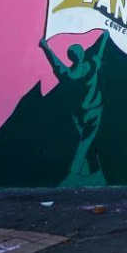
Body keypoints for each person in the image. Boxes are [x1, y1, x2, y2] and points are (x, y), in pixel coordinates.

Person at [40, 36, 109, 185]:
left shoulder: (69, 74)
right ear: (82, 54)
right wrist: (105, 37)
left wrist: (46, 47)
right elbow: (100, 51)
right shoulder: (92, 64)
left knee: (87, 140)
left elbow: (55, 62)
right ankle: (74, 172)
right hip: (94, 110)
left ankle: (96, 171)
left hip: (78, 113)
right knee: (86, 141)